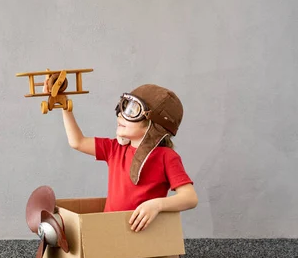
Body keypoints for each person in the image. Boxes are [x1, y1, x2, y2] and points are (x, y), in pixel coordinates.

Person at [44, 80, 198, 232]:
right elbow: (78, 142)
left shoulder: (167, 157)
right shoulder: (114, 149)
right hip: (110, 230)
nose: (121, 116)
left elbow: (190, 198)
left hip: (144, 234)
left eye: (132, 111)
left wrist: (156, 205)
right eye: (124, 107)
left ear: (154, 125)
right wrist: (65, 106)